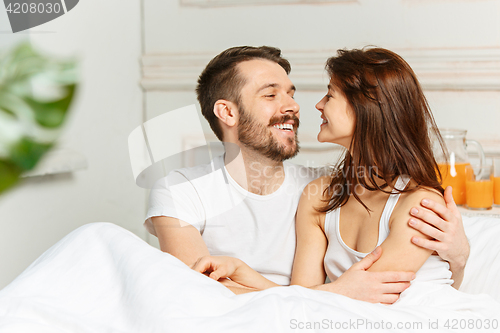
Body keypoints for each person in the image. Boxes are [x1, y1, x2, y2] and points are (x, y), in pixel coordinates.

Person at [146, 46, 469, 301]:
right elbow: (194, 293)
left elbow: (382, 290)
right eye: (271, 95)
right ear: (227, 112)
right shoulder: (180, 190)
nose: (296, 106)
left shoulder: (316, 189)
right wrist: (336, 292)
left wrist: (459, 256)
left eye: (291, 93)